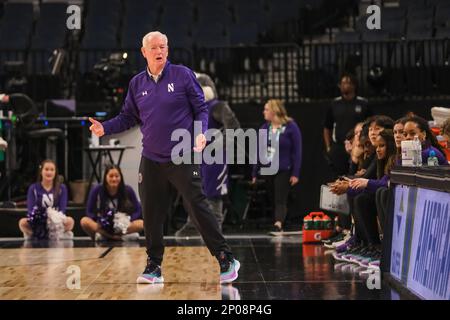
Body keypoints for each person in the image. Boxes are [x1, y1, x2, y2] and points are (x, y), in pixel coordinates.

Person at [88, 31, 240, 284]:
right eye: (154, 47)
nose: (159, 51)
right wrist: (105, 128)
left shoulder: (182, 75)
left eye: (163, 47)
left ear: (167, 50)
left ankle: (225, 258)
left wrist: (201, 134)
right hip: (151, 158)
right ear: (144, 52)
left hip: (182, 154)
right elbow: (128, 116)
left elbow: (201, 108)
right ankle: (154, 266)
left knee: (197, 204)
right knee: (152, 212)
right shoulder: (137, 84)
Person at [175, 72, 240, 237]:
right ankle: (193, 225)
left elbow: (234, 128)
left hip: (215, 159)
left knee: (213, 195)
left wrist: (216, 145)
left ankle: (215, 228)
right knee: (193, 192)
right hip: (198, 158)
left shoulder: (217, 106)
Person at [252, 99, 302, 234]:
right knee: (273, 197)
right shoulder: (264, 128)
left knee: (280, 198)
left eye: (266, 109)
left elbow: (297, 151)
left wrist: (295, 173)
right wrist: (254, 172)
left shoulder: (291, 126)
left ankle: (278, 224)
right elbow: (259, 151)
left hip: (284, 169)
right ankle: (280, 220)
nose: (264, 112)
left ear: (274, 111)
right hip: (268, 169)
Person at [323, 74, 370, 178]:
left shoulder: (363, 103)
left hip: (358, 145)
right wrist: (328, 147)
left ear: (354, 85)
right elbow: (327, 127)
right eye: (343, 83)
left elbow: (371, 124)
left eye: (348, 82)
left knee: (357, 174)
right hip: (339, 147)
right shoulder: (334, 104)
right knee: (338, 176)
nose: (346, 85)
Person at [81, 164, 144, 241]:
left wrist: (128, 219)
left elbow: (138, 210)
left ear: (120, 177)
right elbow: (89, 211)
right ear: (105, 177)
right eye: (111, 176)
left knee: (141, 223)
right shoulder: (97, 190)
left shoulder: (128, 190)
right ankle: (117, 237)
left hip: (122, 225)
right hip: (103, 225)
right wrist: (99, 220)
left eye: (117, 176)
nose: (114, 179)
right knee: (84, 221)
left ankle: (105, 237)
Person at [19, 159, 74, 240]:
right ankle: (38, 234)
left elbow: (62, 210)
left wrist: (53, 218)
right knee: (22, 222)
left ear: (55, 172)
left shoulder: (61, 188)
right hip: (38, 221)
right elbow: (30, 210)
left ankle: (53, 234)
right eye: (46, 169)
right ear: (41, 171)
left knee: (70, 221)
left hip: (55, 221)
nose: (49, 172)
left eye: (52, 170)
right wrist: (40, 218)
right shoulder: (33, 188)